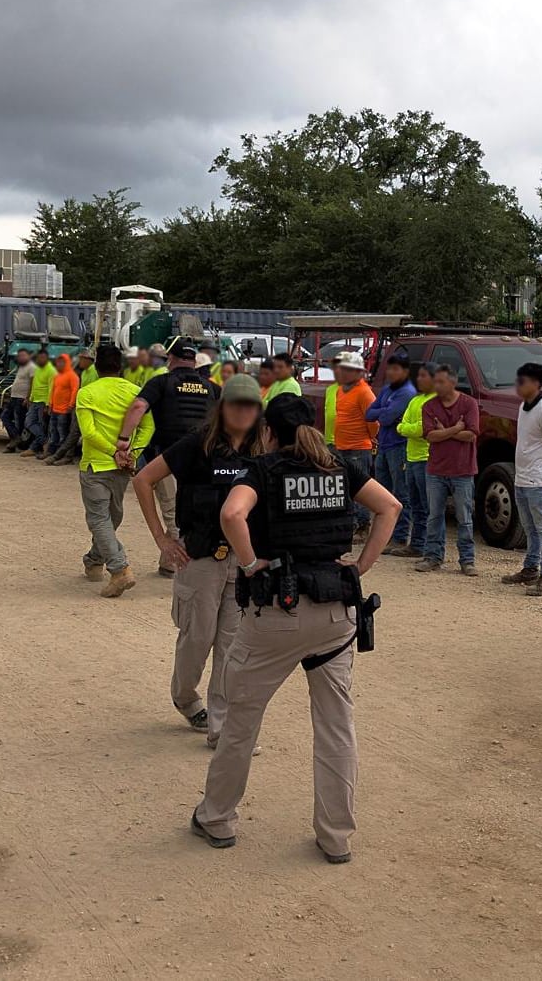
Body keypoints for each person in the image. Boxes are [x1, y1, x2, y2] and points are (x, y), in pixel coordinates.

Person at [191, 393, 401, 856]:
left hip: (276, 614)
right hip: (335, 614)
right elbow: (390, 508)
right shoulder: (340, 468)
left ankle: (218, 819)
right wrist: (361, 566)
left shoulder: (262, 472)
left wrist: (248, 565)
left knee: (241, 722)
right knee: (336, 727)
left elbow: (231, 514)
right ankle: (336, 836)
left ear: (269, 432)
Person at [132, 373, 267, 745]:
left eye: (250, 405)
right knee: (197, 639)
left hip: (242, 563)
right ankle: (185, 698)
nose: (243, 411)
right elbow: (143, 480)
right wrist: (162, 539)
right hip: (200, 560)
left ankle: (220, 728)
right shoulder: (196, 445)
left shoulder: (263, 451)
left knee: (231, 647)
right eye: (236, 404)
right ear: (222, 408)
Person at [116, 344, 220, 575]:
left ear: (170, 358)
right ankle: (171, 561)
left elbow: (138, 405)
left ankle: (178, 562)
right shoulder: (211, 387)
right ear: (195, 362)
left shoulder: (161, 382)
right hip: (206, 456)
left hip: (170, 456)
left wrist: (124, 439)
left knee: (173, 510)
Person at [75, 345, 143, 598]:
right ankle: (93, 562)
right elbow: (147, 426)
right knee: (110, 518)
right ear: (121, 366)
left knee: (101, 520)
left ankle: (119, 569)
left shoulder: (87, 393)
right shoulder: (136, 393)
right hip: (123, 466)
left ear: (95, 366)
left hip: (96, 464)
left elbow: (89, 433)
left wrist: (112, 452)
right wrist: (132, 451)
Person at [502, 362, 542, 597]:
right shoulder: (524, 406)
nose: (518, 386)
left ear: (536, 384)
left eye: (523, 381)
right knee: (530, 527)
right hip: (524, 477)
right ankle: (530, 568)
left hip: (540, 479)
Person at [415, 363, 479, 576]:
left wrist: (445, 431)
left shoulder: (469, 404)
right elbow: (430, 435)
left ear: (453, 382)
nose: (436, 385)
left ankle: (467, 560)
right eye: (435, 381)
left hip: (463, 470)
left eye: (441, 381)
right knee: (434, 515)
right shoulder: (429, 406)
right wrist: (455, 429)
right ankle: (432, 556)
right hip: (436, 470)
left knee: (464, 517)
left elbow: (471, 434)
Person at [367, 353, 416, 556]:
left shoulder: (407, 392)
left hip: (399, 447)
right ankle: (385, 536)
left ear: (405, 371)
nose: (391, 373)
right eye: (389, 368)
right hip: (384, 446)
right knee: (384, 493)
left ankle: (400, 536)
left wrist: (383, 411)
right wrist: (384, 411)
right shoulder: (387, 389)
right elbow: (369, 413)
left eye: (396, 369)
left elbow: (385, 418)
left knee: (400, 493)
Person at [325, 351, 378, 537]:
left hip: (358, 448)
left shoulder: (364, 392)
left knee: (359, 488)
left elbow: (373, 422)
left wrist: (366, 439)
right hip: (342, 446)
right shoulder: (341, 390)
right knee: (346, 488)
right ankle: (351, 524)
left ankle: (362, 525)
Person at [393, 362, 436, 558]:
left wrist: (406, 428)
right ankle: (417, 545)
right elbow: (402, 424)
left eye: (424, 376)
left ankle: (430, 547)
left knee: (428, 507)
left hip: (427, 459)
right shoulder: (415, 400)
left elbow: (421, 429)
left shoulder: (436, 402)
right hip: (411, 458)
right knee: (416, 505)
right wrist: (406, 428)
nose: (419, 379)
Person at [46, 349, 96, 466]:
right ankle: (66, 456)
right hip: (80, 406)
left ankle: (59, 455)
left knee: (73, 433)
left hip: (88, 407)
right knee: (73, 432)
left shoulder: (94, 372)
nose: (80, 362)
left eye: (81, 359)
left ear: (88, 360)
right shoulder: (84, 373)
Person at [42, 353, 80, 459]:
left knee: (62, 433)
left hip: (64, 411)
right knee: (53, 432)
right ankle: (51, 452)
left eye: (62, 362)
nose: (59, 364)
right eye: (58, 362)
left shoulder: (72, 376)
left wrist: (71, 404)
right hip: (55, 410)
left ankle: (60, 454)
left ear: (67, 363)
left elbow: (74, 391)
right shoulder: (57, 376)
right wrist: (50, 404)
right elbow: (53, 391)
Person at [23, 349, 55, 457]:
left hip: (43, 402)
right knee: (29, 422)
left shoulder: (51, 370)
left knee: (42, 425)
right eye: (38, 358)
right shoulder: (37, 369)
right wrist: (29, 398)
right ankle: (44, 442)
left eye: (42, 357)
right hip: (34, 401)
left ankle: (35, 448)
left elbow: (51, 388)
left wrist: (48, 404)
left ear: (47, 358)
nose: (40, 360)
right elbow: (34, 384)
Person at [1, 348, 35, 451]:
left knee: (19, 422)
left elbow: (33, 383)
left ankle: (17, 444)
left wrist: (28, 398)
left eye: (23, 355)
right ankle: (15, 438)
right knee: (4, 416)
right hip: (14, 397)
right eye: (19, 356)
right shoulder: (21, 367)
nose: (21, 357)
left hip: (22, 399)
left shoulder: (32, 367)